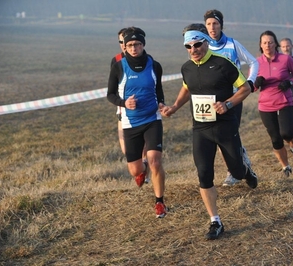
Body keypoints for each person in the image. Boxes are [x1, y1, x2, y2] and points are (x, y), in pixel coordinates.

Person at [161, 26, 258, 240]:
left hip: (225, 125)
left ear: (206, 42)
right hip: (201, 128)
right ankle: (215, 221)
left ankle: (246, 170)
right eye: (189, 46)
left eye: (197, 44)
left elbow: (245, 88)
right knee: (204, 174)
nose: (193, 49)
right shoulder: (187, 68)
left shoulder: (224, 64)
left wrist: (228, 104)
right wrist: (175, 107)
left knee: (237, 172)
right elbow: (187, 87)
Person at [107, 27, 168, 218]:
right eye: (130, 45)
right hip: (130, 122)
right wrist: (125, 103)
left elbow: (158, 89)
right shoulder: (118, 66)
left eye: (138, 44)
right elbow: (110, 95)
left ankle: (160, 202)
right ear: (125, 47)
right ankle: (141, 171)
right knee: (135, 169)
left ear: (143, 45)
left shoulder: (154, 65)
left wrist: (161, 104)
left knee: (155, 161)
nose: (134, 48)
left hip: (152, 119)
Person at [204, 9, 259, 187]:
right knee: (222, 136)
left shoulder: (232, 44)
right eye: (209, 24)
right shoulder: (202, 46)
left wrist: (250, 82)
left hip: (235, 97)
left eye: (215, 23)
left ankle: (234, 172)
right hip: (213, 100)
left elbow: (254, 62)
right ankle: (242, 164)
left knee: (229, 135)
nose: (212, 27)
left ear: (221, 25)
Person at [254, 31, 293, 177]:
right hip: (265, 104)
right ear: (260, 45)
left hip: (284, 101)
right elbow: (251, 86)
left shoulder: (285, 59)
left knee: (287, 133)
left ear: (275, 44)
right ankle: (285, 166)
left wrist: (289, 82)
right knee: (275, 138)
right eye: (264, 42)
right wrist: (256, 83)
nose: (267, 45)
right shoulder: (256, 63)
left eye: (270, 42)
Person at [110, 27, 150, 183]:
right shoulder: (116, 60)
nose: (122, 44)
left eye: (124, 41)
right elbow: (113, 87)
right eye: (120, 42)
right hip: (123, 109)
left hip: (144, 110)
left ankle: (145, 172)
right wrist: (122, 103)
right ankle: (143, 168)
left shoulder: (146, 59)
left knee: (145, 145)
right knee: (127, 149)